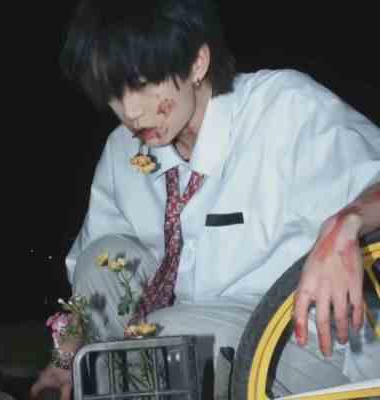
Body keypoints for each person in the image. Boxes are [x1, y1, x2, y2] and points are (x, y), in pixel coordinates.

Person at [31, 0, 380, 399]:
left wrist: (347, 221)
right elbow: (94, 284)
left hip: (306, 341)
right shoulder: (123, 152)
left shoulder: (284, 108)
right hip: (186, 327)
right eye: (114, 91)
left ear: (197, 63)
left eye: (143, 83)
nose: (131, 111)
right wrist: (65, 359)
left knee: (165, 343)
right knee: (102, 257)